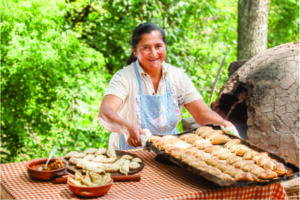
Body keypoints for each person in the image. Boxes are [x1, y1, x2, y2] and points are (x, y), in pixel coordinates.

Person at [98, 22, 235, 150]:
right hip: (130, 151)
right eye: (146, 48)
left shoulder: (177, 76)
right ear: (135, 51)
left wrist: (222, 124)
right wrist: (125, 128)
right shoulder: (124, 77)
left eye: (158, 46)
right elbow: (105, 112)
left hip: (170, 151)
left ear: (164, 47)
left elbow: (202, 113)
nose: (153, 53)